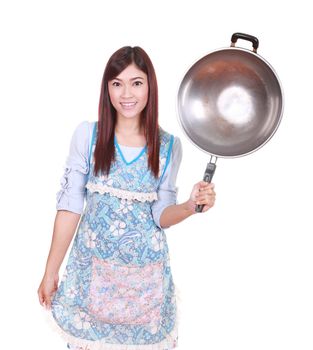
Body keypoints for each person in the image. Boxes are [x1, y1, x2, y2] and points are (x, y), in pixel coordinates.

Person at [37, 46, 216, 350]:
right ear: (106, 88)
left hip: (145, 284)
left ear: (150, 86)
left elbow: (161, 215)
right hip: (90, 272)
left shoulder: (169, 146)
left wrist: (189, 206)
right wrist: (50, 270)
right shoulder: (88, 136)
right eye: (116, 83)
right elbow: (69, 207)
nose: (126, 93)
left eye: (136, 82)